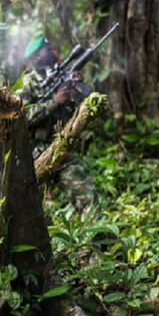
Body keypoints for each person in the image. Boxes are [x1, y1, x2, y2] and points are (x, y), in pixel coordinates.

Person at [19, 35, 99, 218]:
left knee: (88, 197)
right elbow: (21, 118)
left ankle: (95, 243)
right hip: (34, 152)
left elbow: (81, 111)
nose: (47, 54)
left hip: (61, 145)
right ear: (35, 58)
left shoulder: (62, 74)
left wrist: (73, 92)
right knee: (29, 211)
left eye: (47, 50)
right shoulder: (29, 82)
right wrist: (53, 102)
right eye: (41, 53)